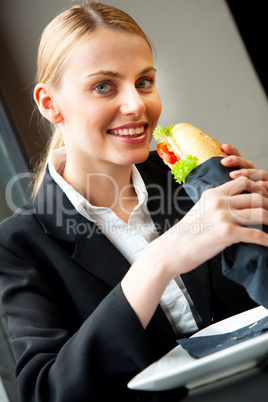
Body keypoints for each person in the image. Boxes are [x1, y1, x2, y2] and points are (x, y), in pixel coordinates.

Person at [0, 2, 268, 401]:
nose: (137, 105)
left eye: (144, 81)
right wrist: (159, 261)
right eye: (104, 86)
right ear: (49, 103)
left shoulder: (192, 177)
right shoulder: (20, 244)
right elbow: (46, 391)